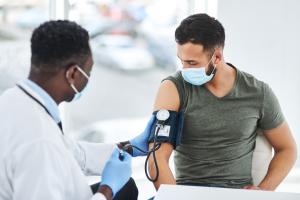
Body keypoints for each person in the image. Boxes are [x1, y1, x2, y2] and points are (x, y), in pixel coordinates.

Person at [0, 20, 154, 200]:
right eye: (89, 71)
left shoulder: (12, 99)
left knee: (127, 187)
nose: (88, 78)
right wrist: (106, 190)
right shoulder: (40, 142)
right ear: (73, 74)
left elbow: (70, 151)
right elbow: (49, 149)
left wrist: (128, 148)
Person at [148, 13, 297, 191]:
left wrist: (263, 191)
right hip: (189, 193)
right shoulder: (173, 88)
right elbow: (156, 158)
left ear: (217, 57)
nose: (185, 70)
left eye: (192, 63)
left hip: (238, 194)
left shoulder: (258, 93)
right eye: (182, 61)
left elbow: (287, 149)